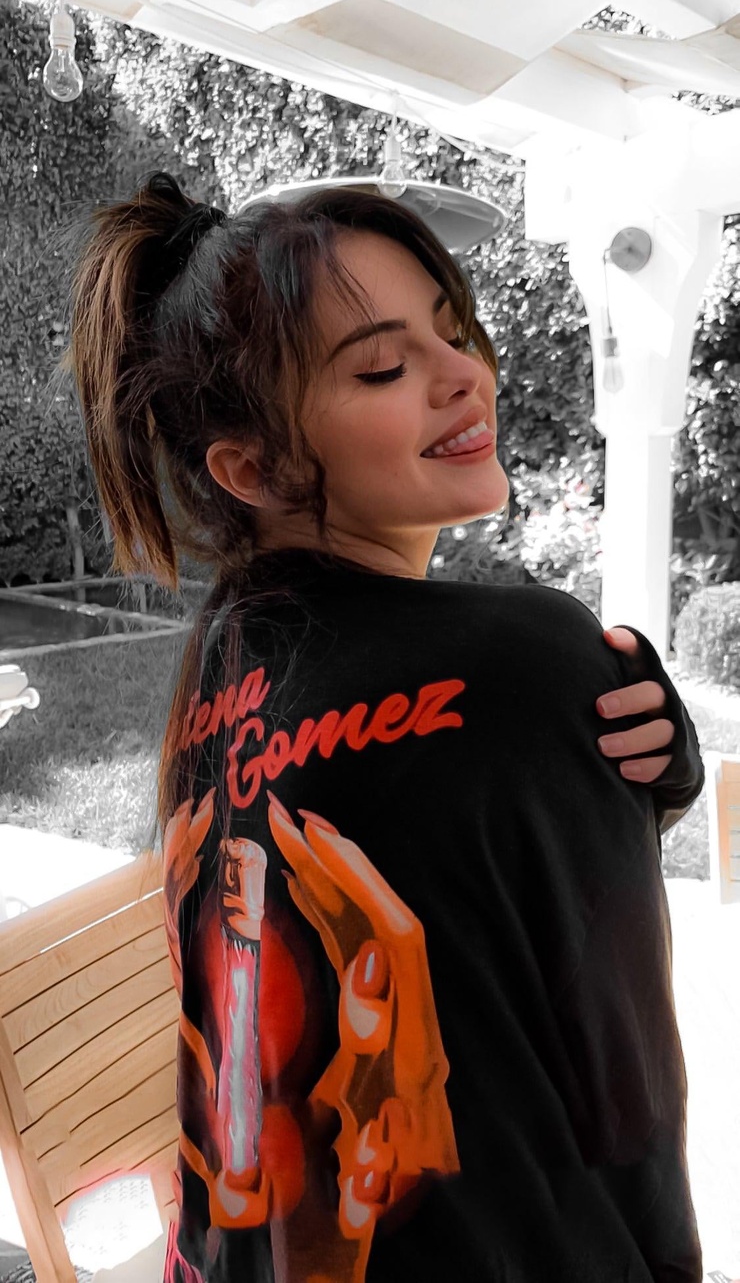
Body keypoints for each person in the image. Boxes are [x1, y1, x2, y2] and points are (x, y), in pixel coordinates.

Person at [60, 172, 705, 1283]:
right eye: (381, 367)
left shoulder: (222, 659)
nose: (465, 375)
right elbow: (628, 1102)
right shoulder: (529, 658)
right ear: (252, 467)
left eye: (451, 332)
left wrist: (639, 778)